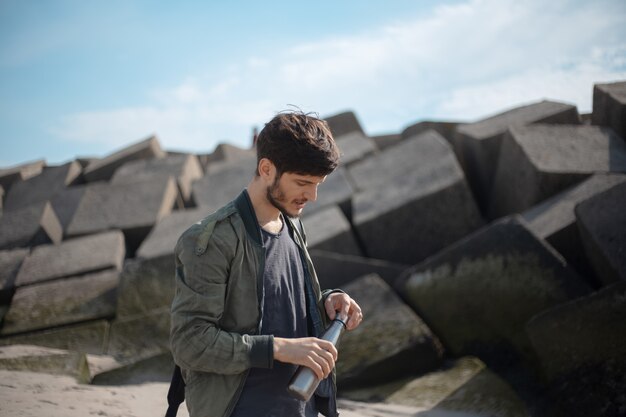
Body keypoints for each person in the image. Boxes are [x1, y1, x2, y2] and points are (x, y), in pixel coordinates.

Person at [169, 110, 363, 417]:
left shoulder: (293, 224)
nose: (311, 196)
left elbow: (279, 307)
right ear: (266, 168)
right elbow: (189, 342)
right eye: (302, 182)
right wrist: (279, 349)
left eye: (318, 184)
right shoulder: (210, 240)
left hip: (302, 407)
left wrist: (326, 303)